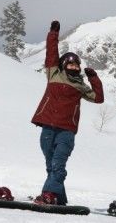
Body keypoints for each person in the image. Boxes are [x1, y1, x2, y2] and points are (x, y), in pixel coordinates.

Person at [31, 20, 104, 205]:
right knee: (50, 166)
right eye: (70, 64)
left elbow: (98, 97)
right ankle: (59, 198)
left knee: (58, 165)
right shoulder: (54, 74)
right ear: (63, 65)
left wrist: (93, 78)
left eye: (76, 65)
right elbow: (51, 54)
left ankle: (50, 194)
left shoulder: (80, 85)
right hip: (47, 129)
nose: (73, 67)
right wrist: (53, 34)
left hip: (66, 131)